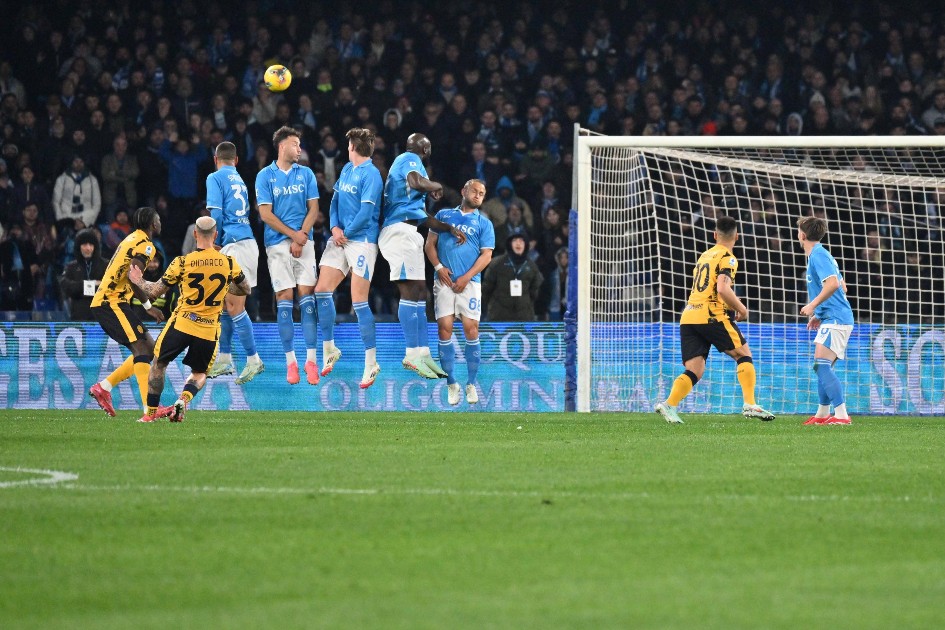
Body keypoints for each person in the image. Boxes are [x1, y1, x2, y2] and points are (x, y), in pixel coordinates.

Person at [127, 216, 252, 422]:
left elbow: (155, 292)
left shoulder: (182, 262)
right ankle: (183, 400)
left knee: (159, 364)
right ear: (216, 235)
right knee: (200, 372)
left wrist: (139, 280)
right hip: (209, 329)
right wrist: (223, 288)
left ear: (195, 234)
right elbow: (245, 289)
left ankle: (150, 414)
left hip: (182, 323)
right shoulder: (228, 263)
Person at [654, 215, 775, 424]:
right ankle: (750, 404)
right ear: (737, 236)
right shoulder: (728, 257)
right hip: (711, 315)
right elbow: (722, 288)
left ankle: (669, 404)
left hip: (689, 315)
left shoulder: (704, 256)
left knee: (695, 370)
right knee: (743, 354)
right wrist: (741, 308)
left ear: (714, 235)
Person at [379, 132, 467, 379]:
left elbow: (423, 217)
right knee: (409, 291)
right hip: (398, 231)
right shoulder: (409, 159)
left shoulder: (411, 188)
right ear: (425, 150)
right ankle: (411, 354)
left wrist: (448, 228)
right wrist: (436, 186)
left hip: (410, 231)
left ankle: (423, 352)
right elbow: (417, 181)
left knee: (420, 292)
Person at [313, 128, 383, 388]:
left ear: (353, 147)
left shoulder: (372, 174)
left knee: (359, 301)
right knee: (322, 291)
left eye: (349, 145)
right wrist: (334, 228)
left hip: (362, 240)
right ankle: (330, 348)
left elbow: (366, 214)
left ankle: (371, 362)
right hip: (341, 236)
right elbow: (334, 201)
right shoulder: (346, 169)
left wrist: (346, 234)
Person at [255, 126, 320, 385]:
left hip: (305, 241)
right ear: (282, 146)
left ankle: (311, 360)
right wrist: (293, 236)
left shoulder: (306, 174)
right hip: (277, 244)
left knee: (307, 298)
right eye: (295, 144)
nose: (299, 149)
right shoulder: (264, 176)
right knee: (284, 298)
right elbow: (265, 214)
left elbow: (314, 208)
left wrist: (301, 236)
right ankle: (290, 362)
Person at [87, 206, 166, 418]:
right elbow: (134, 276)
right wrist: (149, 304)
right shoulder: (146, 245)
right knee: (141, 349)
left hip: (114, 301)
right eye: (158, 219)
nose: (160, 222)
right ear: (153, 224)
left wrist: (147, 301)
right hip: (110, 302)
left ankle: (104, 387)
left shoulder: (132, 238)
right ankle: (150, 409)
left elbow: (131, 276)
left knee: (149, 349)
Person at [424, 179, 495, 405]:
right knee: (444, 329)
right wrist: (438, 267)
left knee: (471, 329)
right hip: (444, 281)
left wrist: (466, 277)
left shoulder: (484, 223)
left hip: (470, 283)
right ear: (464, 190)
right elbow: (429, 245)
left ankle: (471, 383)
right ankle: (451, 383)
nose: (478, 195)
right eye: (475, 191)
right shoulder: (443, 215)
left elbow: (486, 255)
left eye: (482, 193)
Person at [204, 141, 264, 385]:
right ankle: (225, 358)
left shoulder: (214, 177)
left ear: (215, 159)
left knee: (234, 306)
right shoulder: (239, 179)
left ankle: (253, 359)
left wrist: (213, 241)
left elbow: (216, 213)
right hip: (245, 243)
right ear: (236, 160)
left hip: (235, 246)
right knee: (224, 305)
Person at [797, 216, 855, 425]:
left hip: (837, 318)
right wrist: (819, 314)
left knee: (822, 366)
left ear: (802, 235)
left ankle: (841, 415)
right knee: (822, 366)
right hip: (833, 317)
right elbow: (842, 285)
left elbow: (833, 284)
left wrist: (812, 306)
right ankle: (822, 414)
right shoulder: (821, 254)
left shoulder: (818, 255)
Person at [482, 233, 543, 321]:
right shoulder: (497, 263)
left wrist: (526, 303)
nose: (518, 243)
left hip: (524, 316)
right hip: (498, 316)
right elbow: (486, 289)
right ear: (509, 244)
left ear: (526, 245)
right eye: (515, 241)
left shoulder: (532, 266)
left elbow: (535, 291)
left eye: (521, 241)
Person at [59, 228, 108, 320]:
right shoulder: (71, 267)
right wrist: (93, 284)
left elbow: (109, 289)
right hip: (78, 318)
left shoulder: (106, 265)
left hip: (101, 318)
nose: (88, 248)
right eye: (84, 245)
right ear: (78, 247)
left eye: (91, 245)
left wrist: (79, 292)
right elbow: (66, 287)